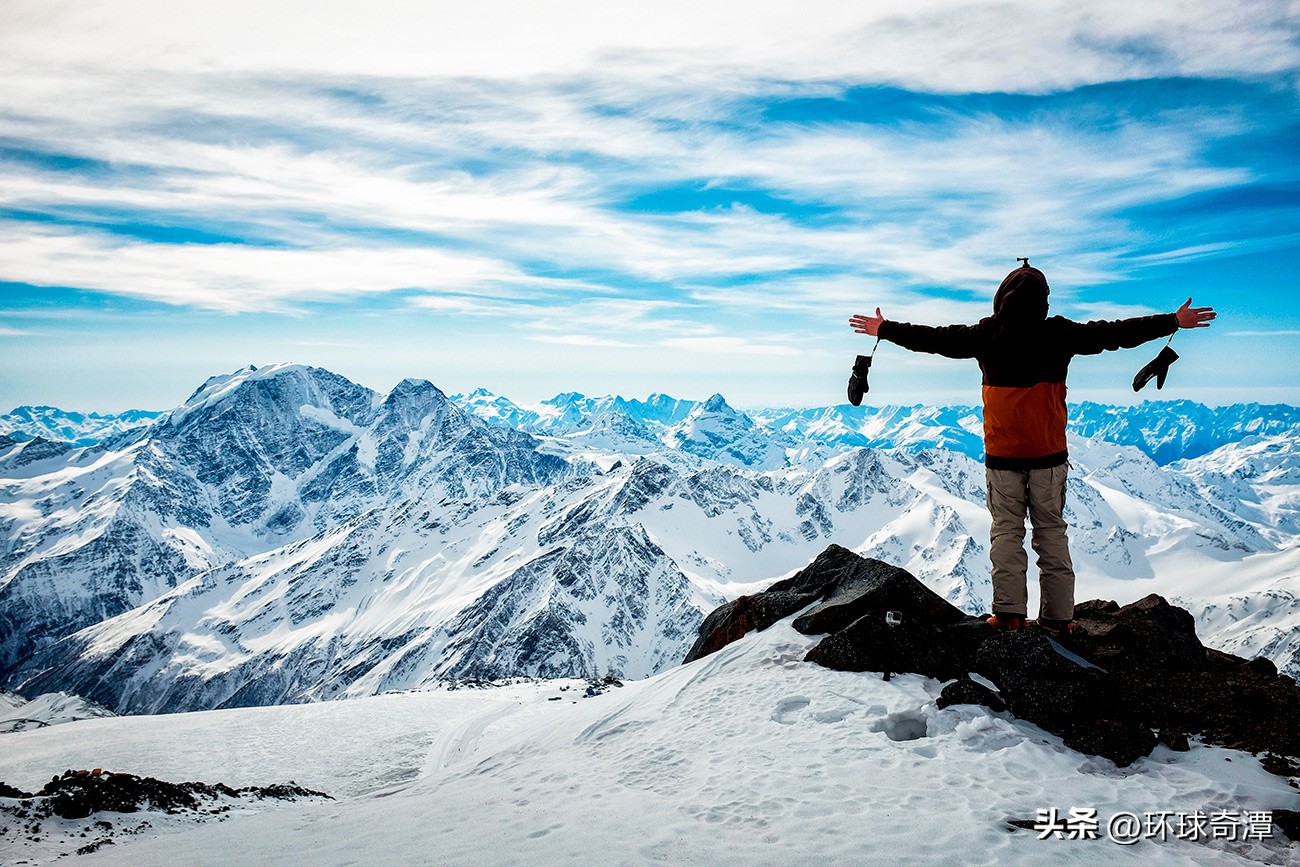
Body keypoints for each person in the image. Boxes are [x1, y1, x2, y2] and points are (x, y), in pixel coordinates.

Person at [848, 262, 1215, 636]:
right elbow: (1115, 333)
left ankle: (1008, 616)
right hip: (1049, 457)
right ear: (1044, 300)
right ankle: (1059, 619)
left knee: (1006, 533)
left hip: (1003, 457)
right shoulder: (1059, 333)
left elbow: (934, 339)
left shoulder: (987, 333)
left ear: (1001, 298)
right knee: (1051, 533)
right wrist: (1172, 321)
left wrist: (885, 329)